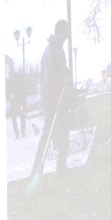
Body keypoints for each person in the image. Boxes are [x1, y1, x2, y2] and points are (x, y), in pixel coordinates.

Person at [30, 19, 74, 178]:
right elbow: (48, 81)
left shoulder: (58, 50)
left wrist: (66, 75)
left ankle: (61, 168)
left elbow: (61, 74)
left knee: (62, 133)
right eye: (67, 34)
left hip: (60, 102)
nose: (68, 37)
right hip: (53, 103)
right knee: (48, 136)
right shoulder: (51, 51)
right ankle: (36, 172)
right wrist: (54, 102)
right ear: (62, 33)